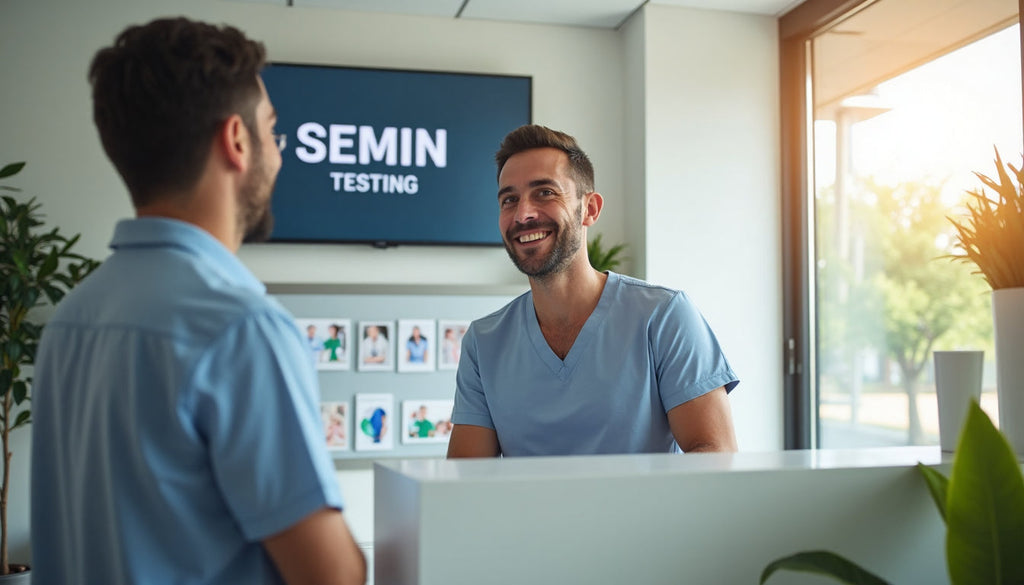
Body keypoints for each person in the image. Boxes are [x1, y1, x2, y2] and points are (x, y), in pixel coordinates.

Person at [30, 17, 366, 585]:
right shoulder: (241, 328)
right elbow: (331, 575)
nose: (279, 156)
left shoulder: (70, 320)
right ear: (236, 141)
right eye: (272, 131)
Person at [447, 124, 739, 458]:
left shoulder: (663, 316)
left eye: (545, 192)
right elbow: (466, 482)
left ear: (590, 209)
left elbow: (716, 454)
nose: (523, 213)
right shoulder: (484, 342)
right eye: (509, 200)